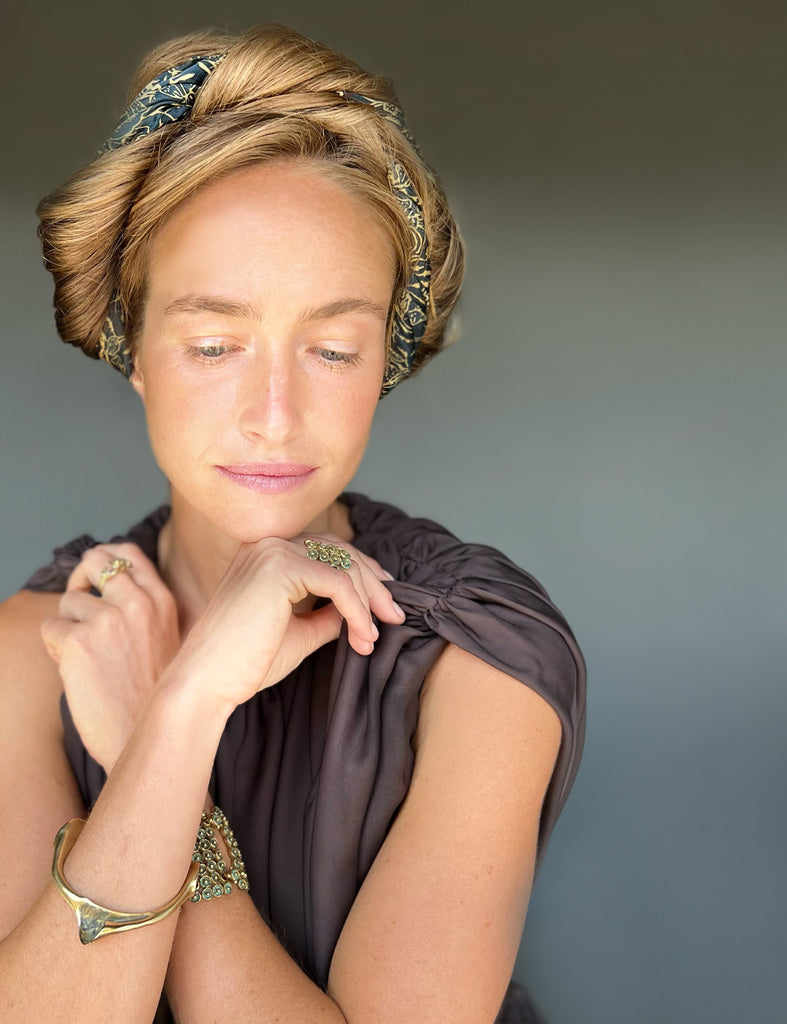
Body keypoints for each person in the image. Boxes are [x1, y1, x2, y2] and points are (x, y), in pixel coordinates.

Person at [0, 24, 585, 1024]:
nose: (273, 412)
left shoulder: (480, 656)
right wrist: (187, 714)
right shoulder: (39, 645)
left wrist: (153, 728)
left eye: (332, 351)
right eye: (216, 344)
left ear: (387, 362)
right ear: (131, 347)